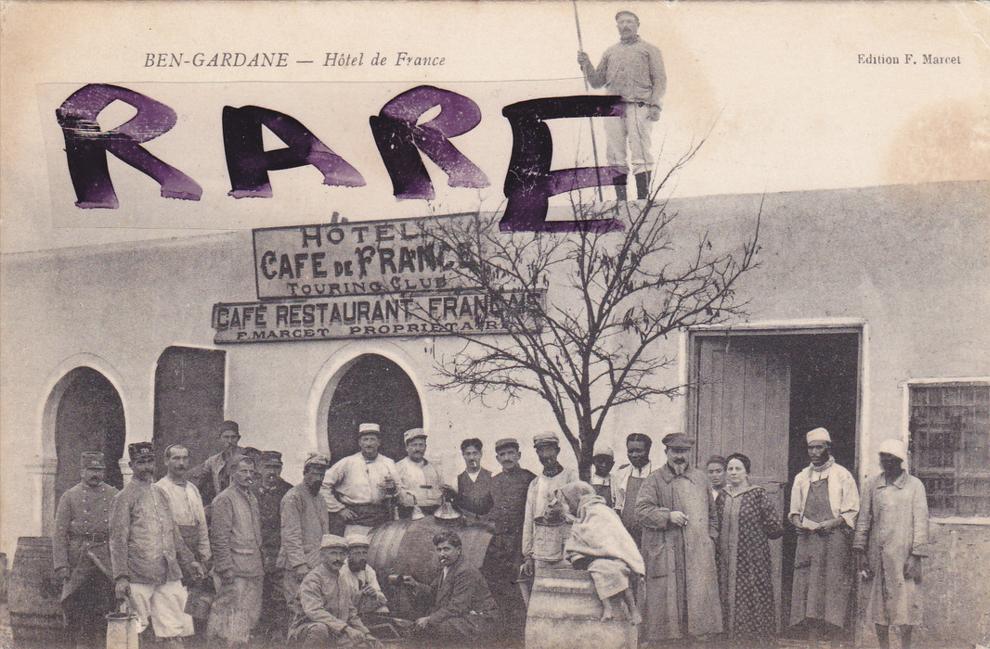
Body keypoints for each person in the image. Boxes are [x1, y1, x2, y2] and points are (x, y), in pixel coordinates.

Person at [109, 442, 201, 647]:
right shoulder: (123, 498)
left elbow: (174, 533)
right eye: (141, 462)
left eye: (150, 461)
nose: (147, 467)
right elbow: (118, 540)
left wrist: (190, 561)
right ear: (132, 465)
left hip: (168, 572)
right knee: (134, 630)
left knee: (174, 629)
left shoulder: (161, 493)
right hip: (139, 574)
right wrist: (121, 577)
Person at [634, 432, 722, 643]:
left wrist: (710, 540)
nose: (679, 456)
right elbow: (641, 511)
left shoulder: (701, 479)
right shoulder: (654, 480)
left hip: (697, 554)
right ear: (666, 452)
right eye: (675, 451)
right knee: (668, 612)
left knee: (698, 611)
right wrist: (667, 516)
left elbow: (713, 515)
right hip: (668, 552)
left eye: (684, 452)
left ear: (690, 453)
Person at [577, 10, 666, 202]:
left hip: (639, 105)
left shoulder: (650, 50)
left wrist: (655, 105)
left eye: (629, 22)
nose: (625, 25)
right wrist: (586, 64)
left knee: (640, 152)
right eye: (621, 22)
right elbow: (597, 82)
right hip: (613, 108)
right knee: (615, 155)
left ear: (637, 25)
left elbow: (660, 80)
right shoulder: (610, 52)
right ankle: (621, 202)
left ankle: (643, 199)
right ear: (617, 26)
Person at [853, 439, 929, 649]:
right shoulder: (872, 484)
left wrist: (916, 555)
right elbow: (863, 519)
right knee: (879, 608)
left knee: (906, 607)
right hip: (878, 556)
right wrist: (860, 550)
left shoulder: (915, 486)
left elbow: (921, 522)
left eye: (891, 458)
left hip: (904, 556)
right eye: (883, 457)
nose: (886, 462)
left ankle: (905, 646)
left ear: (900, 461)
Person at [788, 427, 860, 642]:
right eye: (811, 447)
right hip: (809, 542)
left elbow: (852, 510)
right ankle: (813, 644)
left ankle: (836, 644)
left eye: (819, 447)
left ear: (828, 447)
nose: (814, 452)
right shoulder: (801, 477)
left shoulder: (842, 475)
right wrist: (798, 523)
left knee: (833, 591)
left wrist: (832, 522)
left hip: (834, 541)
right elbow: (793, 511)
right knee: (810, 592)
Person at [714, 453, 784, 645]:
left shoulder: (757, 494)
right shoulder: (721, 497)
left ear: (747, 473)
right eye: (730, 469)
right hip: (726, 560)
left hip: (752, 561)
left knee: (752, 598)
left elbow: (775, 528)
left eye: (738, 469)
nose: (733, 472)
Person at [52, 451, 118, 649]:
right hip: (79, 559)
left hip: (105, 560)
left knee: (104, 612)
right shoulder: (70, 496)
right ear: (82, 471)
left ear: (104, 471)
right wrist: (62, 565)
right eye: (90, 469)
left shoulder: (114, 495)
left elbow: (121, 531)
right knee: (77, 613)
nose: (94, 474)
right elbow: (59, 533)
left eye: (98, 469)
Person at [559, 481, 643, 625]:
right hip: (599, 557)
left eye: (568, 501)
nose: (569, 505)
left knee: (620, 571)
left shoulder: (598, 510)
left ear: (576, 497)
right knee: (599, 570)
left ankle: (633, 610)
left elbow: (609, 534)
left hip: (616, 555)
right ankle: (608, 608)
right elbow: (585, 534)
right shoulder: (584, 512)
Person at [400, 530, 498, 646]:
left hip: (478, 619)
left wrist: (429, 619)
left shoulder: (465, 571)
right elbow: (434, 591)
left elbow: (458, 606)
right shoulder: (448, 567)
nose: (442, 554)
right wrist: (415, 584)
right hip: (463, 616)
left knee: (433, 628)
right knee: (422, 626)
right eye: (439, 550)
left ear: (458, 550)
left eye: (446, 549)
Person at [155, 443, 212, 637]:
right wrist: (183, 558)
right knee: (175, 607)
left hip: (195, 554)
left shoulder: (193, 489)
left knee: (196, 607)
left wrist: (205, 555)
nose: (181, 463)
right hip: (174, 556)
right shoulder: (160, 489)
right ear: (166, 461)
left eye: (184, 458)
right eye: (176, 458)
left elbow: (201, 524)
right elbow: (166, 530)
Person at [207, 456, 264, 648]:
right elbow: (219, 538)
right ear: (232, 473)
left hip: (253, 568)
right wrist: (225, 568)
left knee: (247, 619)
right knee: (227, 619)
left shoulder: (251, 497)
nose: (249, 476)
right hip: (234, 570)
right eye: (243, 471)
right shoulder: (224, 499)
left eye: (251, 471)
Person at [288, 534, 381, 649]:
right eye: (333, 553)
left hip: (336, 631)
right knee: (320, 629)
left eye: (342, 554)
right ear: (322, 556)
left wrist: (366, 633)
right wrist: (346, 629)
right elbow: (314, 611)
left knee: (366, 645)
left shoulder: (341, 579)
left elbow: (351, 612)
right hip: (306, 631)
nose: (338, 558)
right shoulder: (313, 579)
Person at [483, 437, 536, 635]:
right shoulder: (494, 481)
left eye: (511, 453)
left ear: (519, 455)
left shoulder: (530, 479)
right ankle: (504, 631)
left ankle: (524, 632)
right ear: (497, 458)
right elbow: (484, 506)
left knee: (521, 587)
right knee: (498, 586)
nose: (507, 458)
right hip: (499, 545)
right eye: (502, 455)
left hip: (520, 543)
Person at [520, 432, 580, 580]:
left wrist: (563, 512)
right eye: (541, 450)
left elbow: (581, 513)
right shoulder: (535, 484)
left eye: (549, 449)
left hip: (566, 552)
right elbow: (529, 521)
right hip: (541, 554)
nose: (546, 455)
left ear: (557, 451)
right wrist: (528, 556)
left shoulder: (571, 477)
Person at [279, 453, 332, 616]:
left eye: (322, 474)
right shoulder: (293, 497)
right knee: (298, 609)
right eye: (315, 473)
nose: (319, 477)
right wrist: (299, 564)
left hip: (316, 563)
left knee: (315, 608)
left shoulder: (321, 499)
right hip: (298, 566)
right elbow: (290, 534)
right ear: (305, 472)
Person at [323, 423, 399, 534]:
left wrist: (393, 489)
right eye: (365, 439)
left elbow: (399, 488)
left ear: (379, 442)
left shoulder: (388, 463)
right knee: (358, 548)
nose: (369, 444)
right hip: (355, 519)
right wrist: (339, 508)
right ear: (359, 443)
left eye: (372, 439)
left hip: (381, 518)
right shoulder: (347, 462)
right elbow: (324, 484)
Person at [255, 450, 293, 641]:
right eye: (268, 467)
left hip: (279, 550)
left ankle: (279, 634)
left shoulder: (289, 491)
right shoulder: (250, 490)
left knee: (280, 594)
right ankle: (259, 633)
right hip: (255, 551)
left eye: (276, 467)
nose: (272, 472)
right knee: (257, 593)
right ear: (259, 468)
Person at [612, 432, 656, 545]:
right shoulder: (621, 473)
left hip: (650, 532)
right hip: (626, 533)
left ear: (648, 451)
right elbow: (619, 505)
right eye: (630, 451)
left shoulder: (657, 473)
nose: (634, 455)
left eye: (639, 451)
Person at [191, 420, 244, 507]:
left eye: (233, 437)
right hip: (222, 505)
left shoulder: (247, 456)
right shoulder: (213, 461)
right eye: (226, 437)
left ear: (238, 438)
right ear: (219, 439)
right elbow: (197, 475)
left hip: (242, 505)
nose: (230, 441)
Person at [395, 428, 445, 517]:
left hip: (433, 513)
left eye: (421, 445)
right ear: (407, 448)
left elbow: (441, 488)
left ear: (425, 447)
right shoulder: (398, 468)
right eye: (414, 445)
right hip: (409, 514)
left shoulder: (434, 467)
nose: (418, 449)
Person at [339, 534, 389, 620]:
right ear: (348, 555)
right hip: (344, 612)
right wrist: (358, 595)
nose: (362, 557)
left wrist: (375, 594)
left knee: (383, 610)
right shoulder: (340, 571)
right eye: (357, 553)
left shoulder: (368, 570)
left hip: (362, 609)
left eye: (364, 553)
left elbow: (383, 599)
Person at [453, 438, 494, 520]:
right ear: (463, 456)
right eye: (468, 454)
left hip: (487, 527)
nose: (472, 458)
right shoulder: (457, 480)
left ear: (481, 454)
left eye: (475, 453)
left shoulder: (492, 477)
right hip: (466, 527)